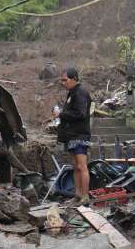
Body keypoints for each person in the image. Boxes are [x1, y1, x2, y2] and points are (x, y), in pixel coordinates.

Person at [56, 67, 91, 206]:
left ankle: (85, 197)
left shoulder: (80, 93)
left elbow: (81, 114)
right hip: (71, 135)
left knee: (82, 166)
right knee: (75, 166)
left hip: (79, 135)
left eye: (65, 80)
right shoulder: (71, 93)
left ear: (74, 79)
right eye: (62, 80)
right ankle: (77, 195)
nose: (63, 83)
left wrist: (62, 114)